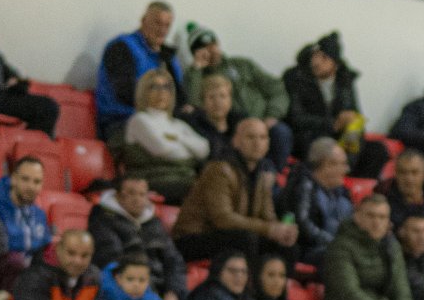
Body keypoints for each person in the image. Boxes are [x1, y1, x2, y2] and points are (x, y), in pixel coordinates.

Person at [173, 118, 298, 263]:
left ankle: (275, 285)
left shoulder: (264, 173)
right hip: (193, 237)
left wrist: (281, 230)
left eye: (262, 137)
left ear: (268, 143)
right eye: (250, 137)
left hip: (232, 234)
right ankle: (249, 285)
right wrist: (269, 229)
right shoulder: (219, 169)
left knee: (287, 247)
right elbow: (222, 219)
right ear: (236, 141)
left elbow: (267, 216)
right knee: (247, 239)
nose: (257, 143)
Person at [182, 23, 291, 166]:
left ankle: (272, 179)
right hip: (233, 128)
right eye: (205, 47)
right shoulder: (196, 77)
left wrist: (272, 115)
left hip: (264, 120)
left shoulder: (242, 65)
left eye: (213, 44)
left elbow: (277, 89)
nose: (212, 50)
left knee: (280, 132)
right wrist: (196, 68)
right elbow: (194, 104)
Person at [282, 32, 387, 176]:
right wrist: (332, 124)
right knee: (321, 146)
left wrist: (350, 122)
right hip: (310, 135)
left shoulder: (345, 80)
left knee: (377, 149)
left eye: (324, 58)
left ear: (335, 65)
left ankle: (345, 175)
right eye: (315, 56)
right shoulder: (296, 77)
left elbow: (355, 115)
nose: (316, 62)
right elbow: (296, 118)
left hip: (338, 137)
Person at [88, 175, 187, 300]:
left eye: (142, 194)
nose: (137, 199)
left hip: (161, 288)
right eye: (131, 193)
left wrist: (173, 292)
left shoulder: (154, 223)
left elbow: (174, 261)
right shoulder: (102, 220)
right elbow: (114, 263)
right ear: (118, 195)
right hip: (131, 289)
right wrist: (153, 297)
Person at [95, 1, 183, 141]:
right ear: (143, 21)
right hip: (121, 121)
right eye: (157, 23)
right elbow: (126, 92)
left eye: (167, 25)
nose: (162, 30)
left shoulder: (168, 57)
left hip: (159, 122)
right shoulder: (121, 47)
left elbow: (179, 97)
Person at [120, 70, 209, 203]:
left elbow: (204, 150)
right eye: (154, 87)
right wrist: (189, 149)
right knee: (205, 190)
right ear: (144, 92)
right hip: (152, 180)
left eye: (166, 87)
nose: (161, 92)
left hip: (182, 178)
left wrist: (177, 138)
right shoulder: (139, 120)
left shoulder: (178, 124)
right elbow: (162, 149)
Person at [275, 139, 355, 269]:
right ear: (327, 164)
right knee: (341, 256)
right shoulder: (303, 186)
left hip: (336, 247)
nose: (347, 169)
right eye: (343, 164)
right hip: (310, 250)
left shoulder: (342, 192)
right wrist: (337, 244)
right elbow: (303, 224)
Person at [0, 155, 54, 280]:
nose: (31, 187)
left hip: (25, 276)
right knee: (15, 261)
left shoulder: (39, 214)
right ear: (13, 179)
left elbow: (44, 249)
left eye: (37, 181)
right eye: (25, 179)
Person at [0, 30, 58, 135]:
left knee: (47, 108)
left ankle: (30, 148)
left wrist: (16, 80)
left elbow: (2, 66)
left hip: (1, 96)